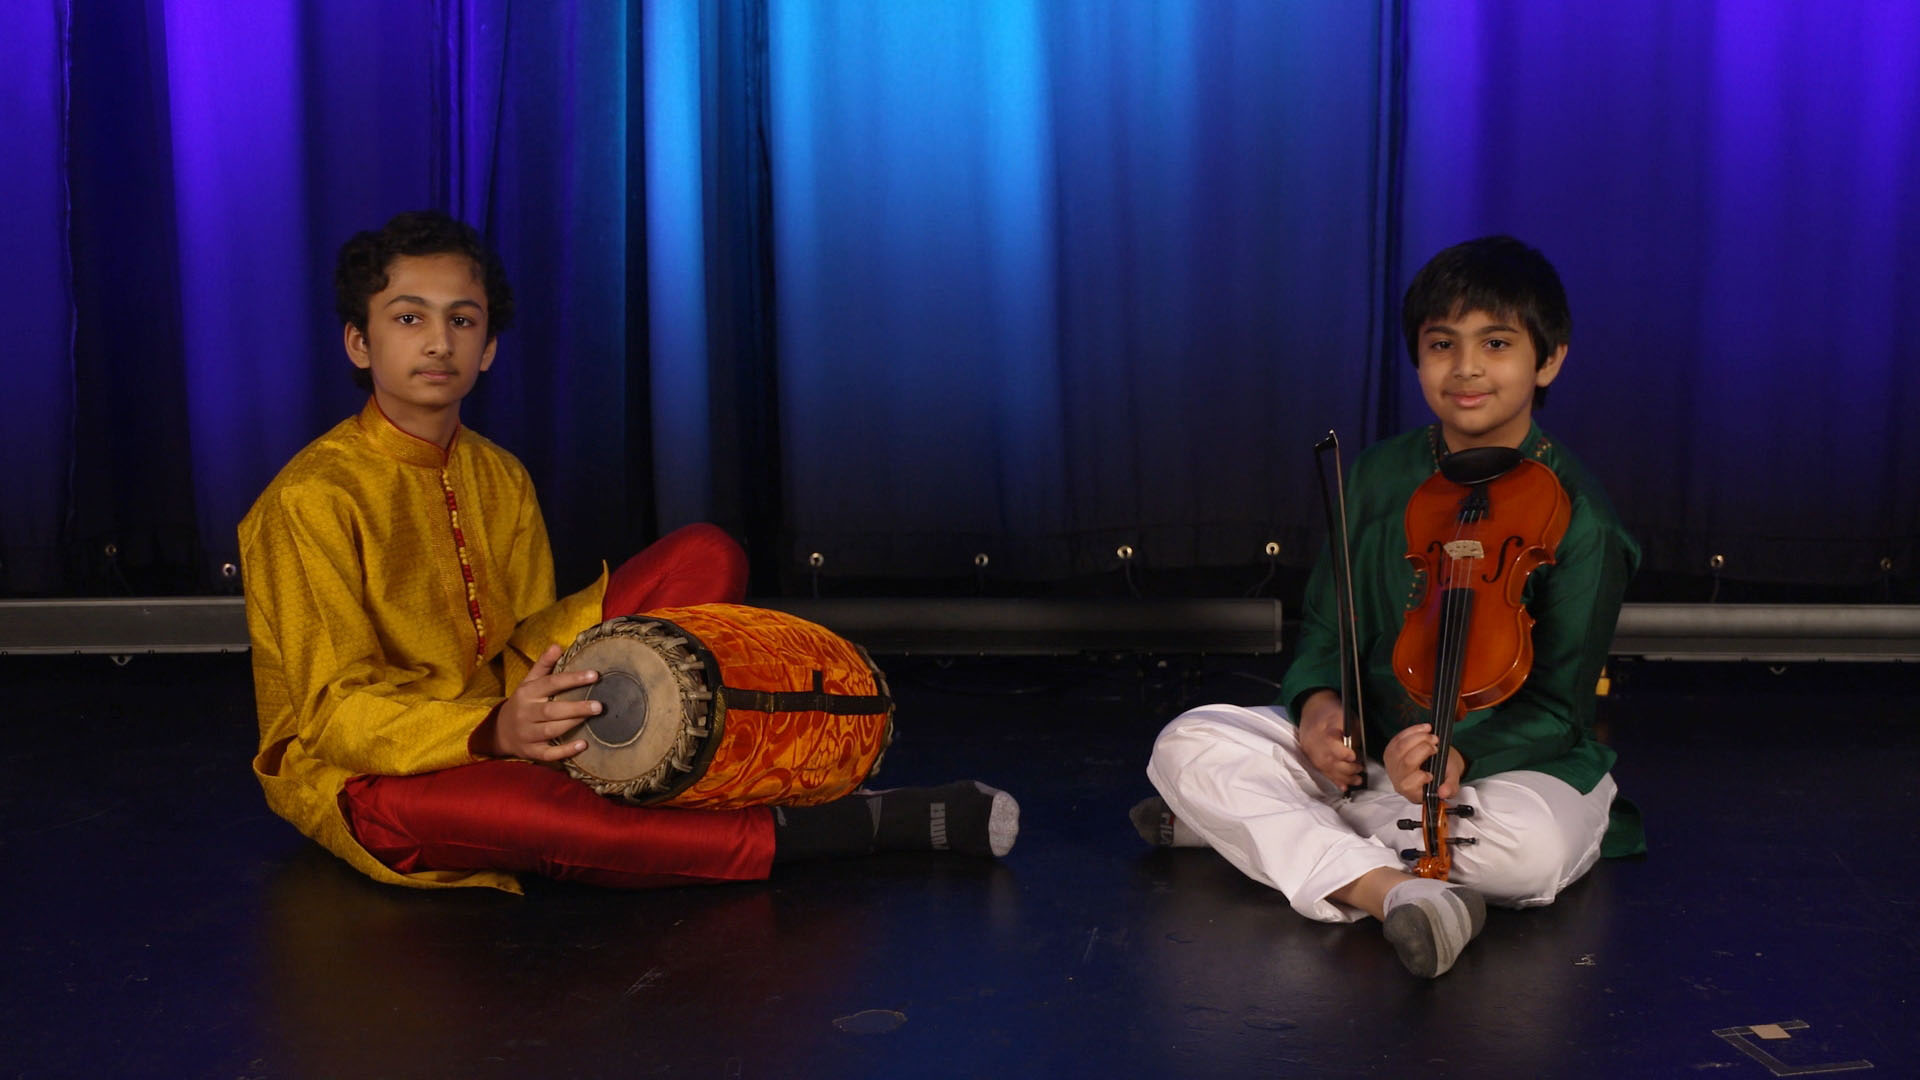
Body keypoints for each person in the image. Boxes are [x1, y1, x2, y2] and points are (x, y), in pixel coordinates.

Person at [240, 209, 1017, 893]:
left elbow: (527, 635)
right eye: (409, 319)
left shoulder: (496, 472)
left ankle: (696, 767)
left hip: (510, 708)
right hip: (373, 771)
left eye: (464, 320)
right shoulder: (311, 500)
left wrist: (531, 708)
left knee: (704, 556)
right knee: (541, 815)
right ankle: (838, 827)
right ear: (359, 342)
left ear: (489, 350)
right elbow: (331, 717)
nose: (439, 342)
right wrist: (492, 733)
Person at [1136, 236, 1641, 977]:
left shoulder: (1584, 519)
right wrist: (1315, 707)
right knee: (1185, 742)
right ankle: (1396, 890)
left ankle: (1258, 828)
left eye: (1496, 343)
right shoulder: (1376, 475)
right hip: (1370, 749)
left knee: (1523, 856)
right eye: (1442, 344)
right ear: (1419, 358)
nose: (1466, 368)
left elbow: (1560, 711)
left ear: (1549, 359)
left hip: (1509, 765)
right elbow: (1323, 625)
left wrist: (1460, 751)